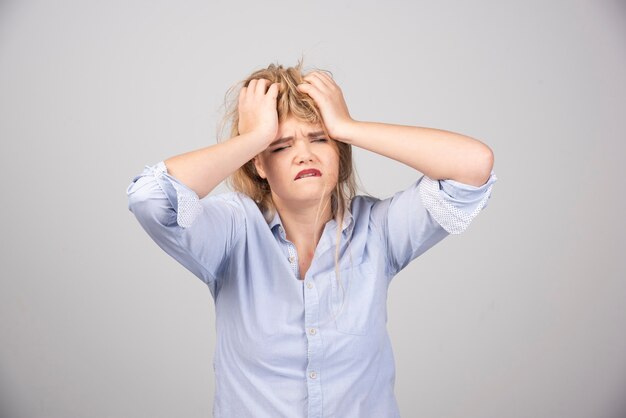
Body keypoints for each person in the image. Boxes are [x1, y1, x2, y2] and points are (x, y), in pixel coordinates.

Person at [126, 61, 497, 418]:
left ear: (338, 152)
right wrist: (255, 136)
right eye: (281, 146)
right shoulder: (234, 229)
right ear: (259, 163)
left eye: (319, 139)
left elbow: (474, 166)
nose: (304, 154)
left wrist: (348, 126)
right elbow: (151, 199)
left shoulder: (379, 230)